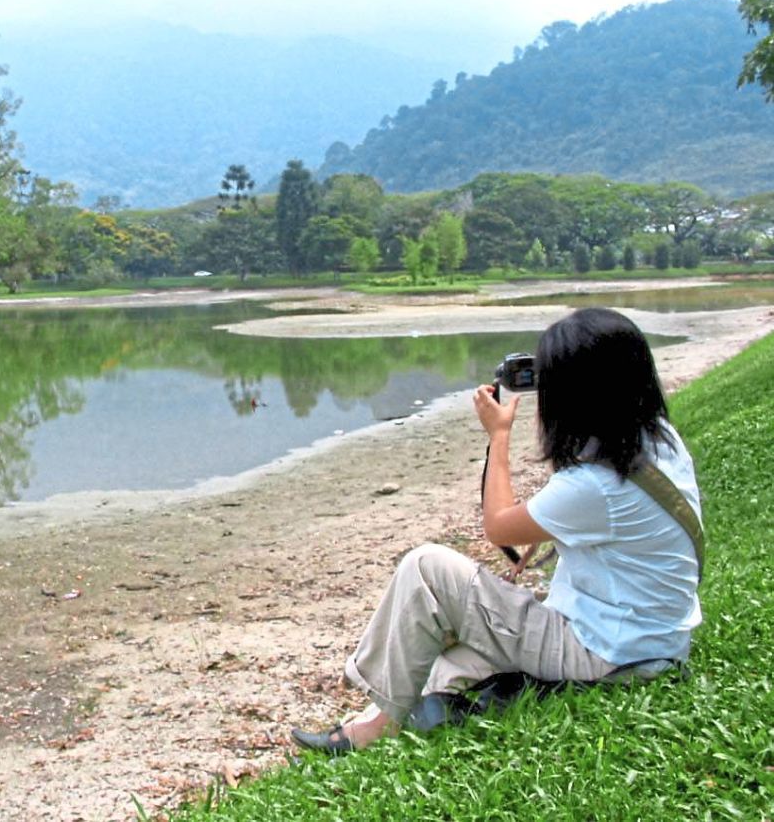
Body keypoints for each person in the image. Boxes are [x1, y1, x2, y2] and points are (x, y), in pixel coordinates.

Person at [291, 307, 703, 753]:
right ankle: (403, 709)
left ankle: (375, 728)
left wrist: (498, 436)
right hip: (651, 638)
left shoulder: (597, 485)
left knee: (426, 568)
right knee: (443, 662)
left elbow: (499, 527)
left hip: (610, 651)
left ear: (579, 395)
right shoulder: (655, 437)